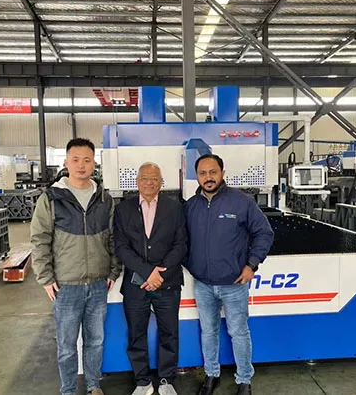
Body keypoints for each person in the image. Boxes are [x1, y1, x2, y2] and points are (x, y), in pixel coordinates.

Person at [31, 138, 121, 395]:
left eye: (87, 160)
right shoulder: (51, 198)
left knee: (96, 341)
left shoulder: (104, 199)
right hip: (66, 285)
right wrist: (46, 278)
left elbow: (113, 238)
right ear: (66, 163)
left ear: (94, 164)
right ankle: (68, 389)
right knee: (67, 345)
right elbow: (39, 239)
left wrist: (113, 270)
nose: (81, 165)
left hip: (98, 284)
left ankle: (93, 385)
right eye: (76, 160)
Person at [184, 154, 274, 395]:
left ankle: (244, 380)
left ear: (222, 173)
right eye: (203, 173)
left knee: (238, 332)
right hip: (203, 284)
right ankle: (211, 375)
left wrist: (251, 265)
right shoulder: (190, 206)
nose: (208, 177)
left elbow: (264, 233)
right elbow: (182, 240)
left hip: (234, 283)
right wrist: (190, 264)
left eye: (213, 172)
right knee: (208, 332)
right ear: (197, 176)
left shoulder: (241, 202)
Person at [114, 162, 188, 395]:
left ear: (161, 182)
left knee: (169, 333)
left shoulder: (175, 208)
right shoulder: (123, 209)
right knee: (136, 334)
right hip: (136, 285)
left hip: (168, 283)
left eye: (155, 178)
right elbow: (121, 247)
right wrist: (148, 272)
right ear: (137, 181)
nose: (149, 183)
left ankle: (166, 380)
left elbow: (181, 244)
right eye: (145, 178)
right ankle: (142, 381)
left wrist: (160, 273)